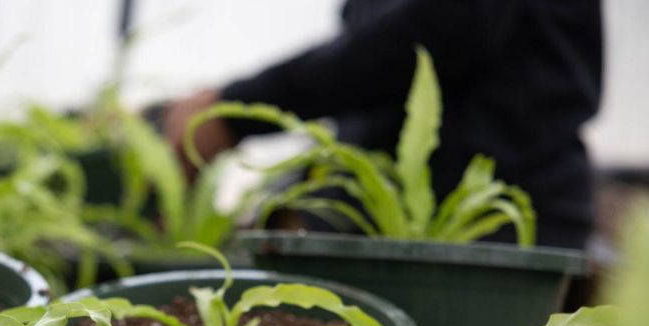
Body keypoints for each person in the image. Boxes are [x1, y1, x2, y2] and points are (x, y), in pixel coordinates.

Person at [162, 0, 603, 250]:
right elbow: (373, 70)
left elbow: (438, 28)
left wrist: (237, 110)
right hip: (386, 230)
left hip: (494, 225)